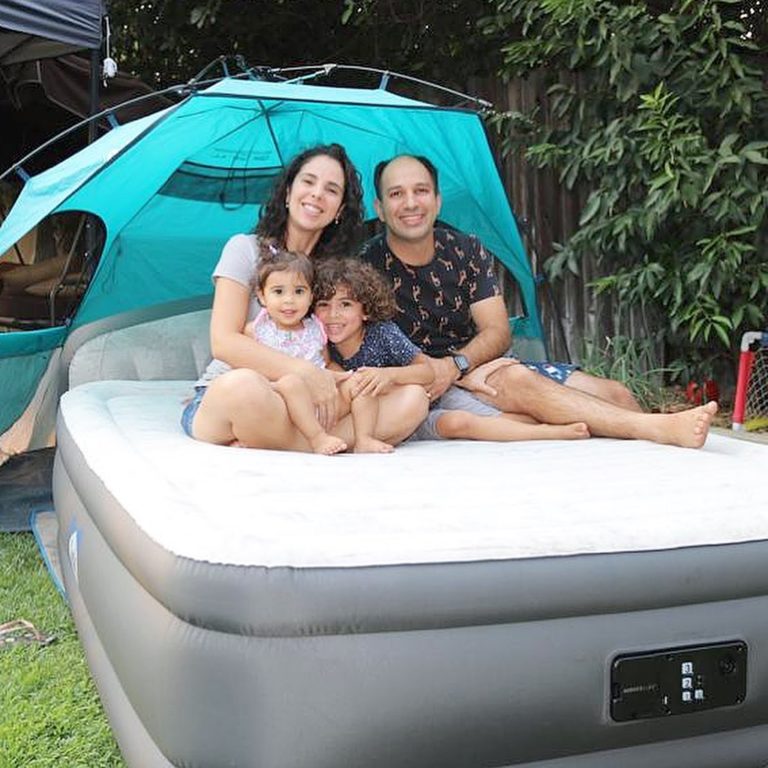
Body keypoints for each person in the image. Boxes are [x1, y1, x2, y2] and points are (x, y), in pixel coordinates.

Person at [361, 153, 718, 449]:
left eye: (421, 190)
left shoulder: (464, 249)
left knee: (618, 395)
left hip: (474, 366)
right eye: (396, 194)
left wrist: (458, 366)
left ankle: (654, 459)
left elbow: (497, 331)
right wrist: (441, 375)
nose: (411, 203)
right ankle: (655, 428)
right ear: (379, 207)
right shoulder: (365, 268)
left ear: (438, 200)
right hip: (420, 389)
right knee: (519, 382)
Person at [181, 143, 428, 451]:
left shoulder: (333, 275)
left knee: (413, 399)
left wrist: (348, 381)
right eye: (308, 182)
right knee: (243, 388)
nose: (317, 194)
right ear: (288, 192)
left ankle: (282, 439)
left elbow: (331, 356)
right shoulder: (244, 249)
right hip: (246, 392)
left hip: (306, 404)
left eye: (331, 190)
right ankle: (301, 440)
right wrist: (303, 372)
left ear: (340, 210)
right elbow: (224, 342)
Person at [314, 258, 591, 443]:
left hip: (432, 397)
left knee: (489, 417)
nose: (332, 315)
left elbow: (426, 371)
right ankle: (545, 429)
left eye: (345, 305)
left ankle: (551, 428)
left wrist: (389, 376)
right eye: (323, 305)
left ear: (365, 309)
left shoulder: (382, 333)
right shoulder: (320, 345)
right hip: (399, 421)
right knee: (459, 424)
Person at [248, 245, 403, 455]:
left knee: (359, 384)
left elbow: (327, 362)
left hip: (319, 396)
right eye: (278, 292)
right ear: (262, 296)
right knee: (291, 383)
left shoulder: (315, 327)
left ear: (311, 296)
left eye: (299, 291)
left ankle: (364, 438)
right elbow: (248, 369)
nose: (289, 300)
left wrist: (345, 377)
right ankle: (317, 439)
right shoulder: (256, 329)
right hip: (280, 401)